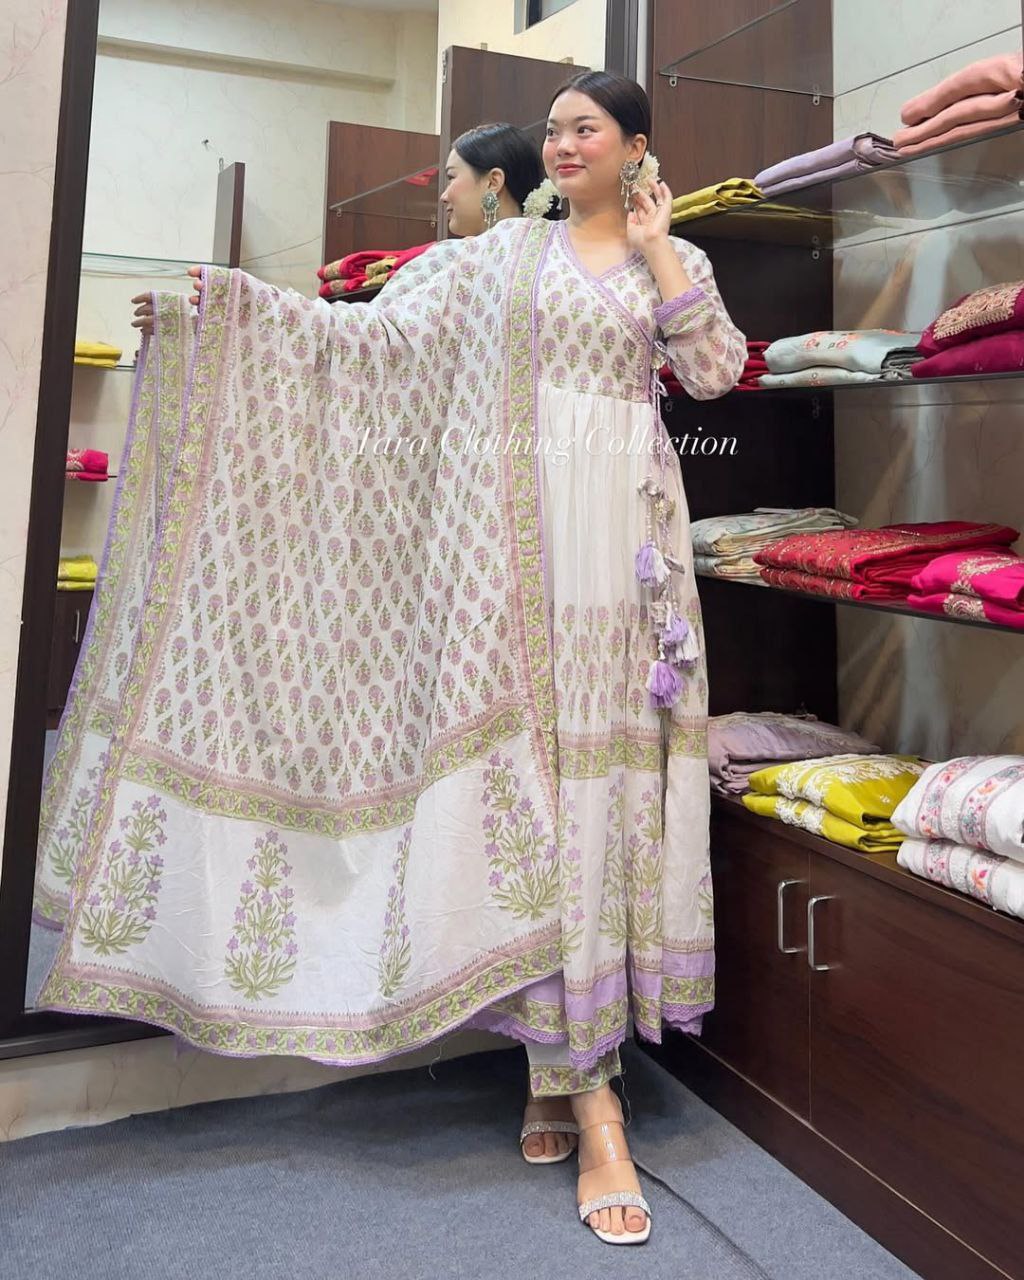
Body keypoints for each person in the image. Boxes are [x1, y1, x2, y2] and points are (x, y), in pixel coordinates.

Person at [43, 72, 745, 1246]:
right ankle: (590, 1098)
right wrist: (232, 315)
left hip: (627, 562)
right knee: (541, 799)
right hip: (511, 559)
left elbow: (716, 374)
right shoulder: (494, 259)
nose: (563, 144)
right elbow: (370, 340)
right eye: (553, 130)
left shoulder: (671, 259)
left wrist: (662, 247)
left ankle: (565, 1070)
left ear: (634, 147)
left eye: (586, 129)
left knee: (606, 802)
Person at [131, 122, 544, 334]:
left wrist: (243, 307)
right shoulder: (536, 261)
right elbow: (364, 331)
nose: (443, 195)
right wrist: (224, 314)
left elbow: (360, 335)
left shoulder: (457, 260)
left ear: (493, 181)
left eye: (451, 177)